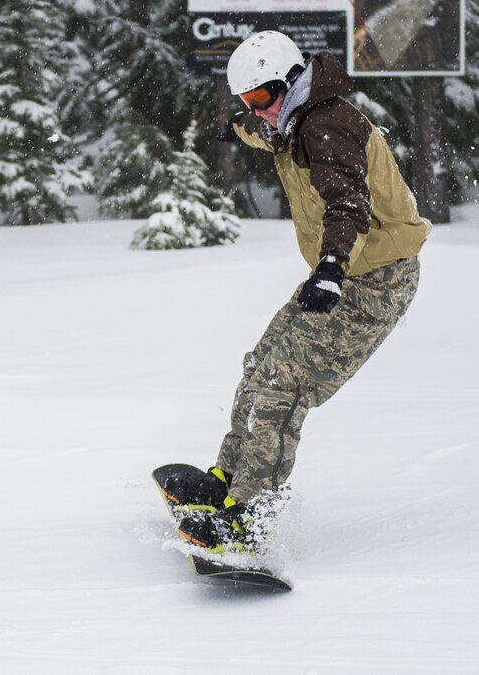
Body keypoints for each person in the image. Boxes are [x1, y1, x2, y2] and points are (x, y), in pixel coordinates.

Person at [164, 31, 431, 553]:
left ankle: (249, 516)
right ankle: (229, 477)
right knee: (261, 364)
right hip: (343, 272)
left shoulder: (328, 126)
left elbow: (348, 203)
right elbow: (265, 133)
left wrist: (330, 266)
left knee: (284, 385)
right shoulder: (292, 119)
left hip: (374, 277)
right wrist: (236, 125)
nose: (256, 110)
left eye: (261, 98)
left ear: (290, 83)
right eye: (247, 101)